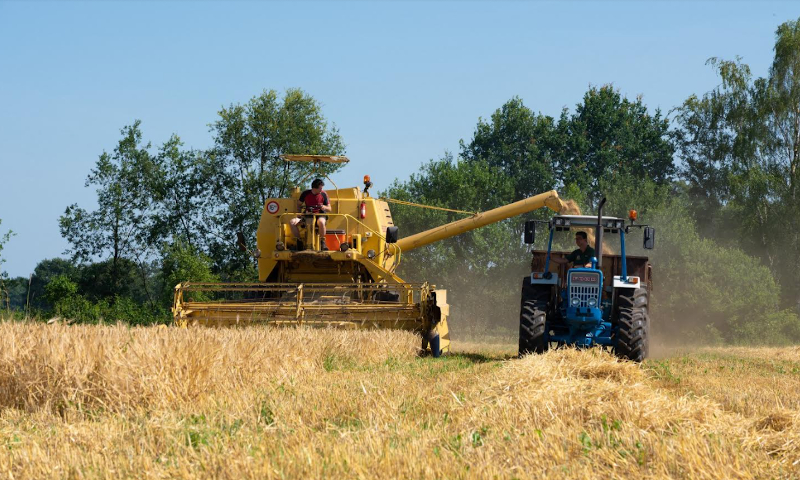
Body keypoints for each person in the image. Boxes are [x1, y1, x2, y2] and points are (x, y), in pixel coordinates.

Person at [290, 178, 331, 250]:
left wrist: (323, 207)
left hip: (319, 215)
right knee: (292, 222)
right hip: (307, 215)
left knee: (321, 222)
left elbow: (329, 209)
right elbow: (299, 204)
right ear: (314, 188)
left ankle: (322, 242)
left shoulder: (324, 194)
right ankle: (299, 242)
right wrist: (299, 213)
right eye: (320, 188)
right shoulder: (305, 194)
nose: (321, 190)